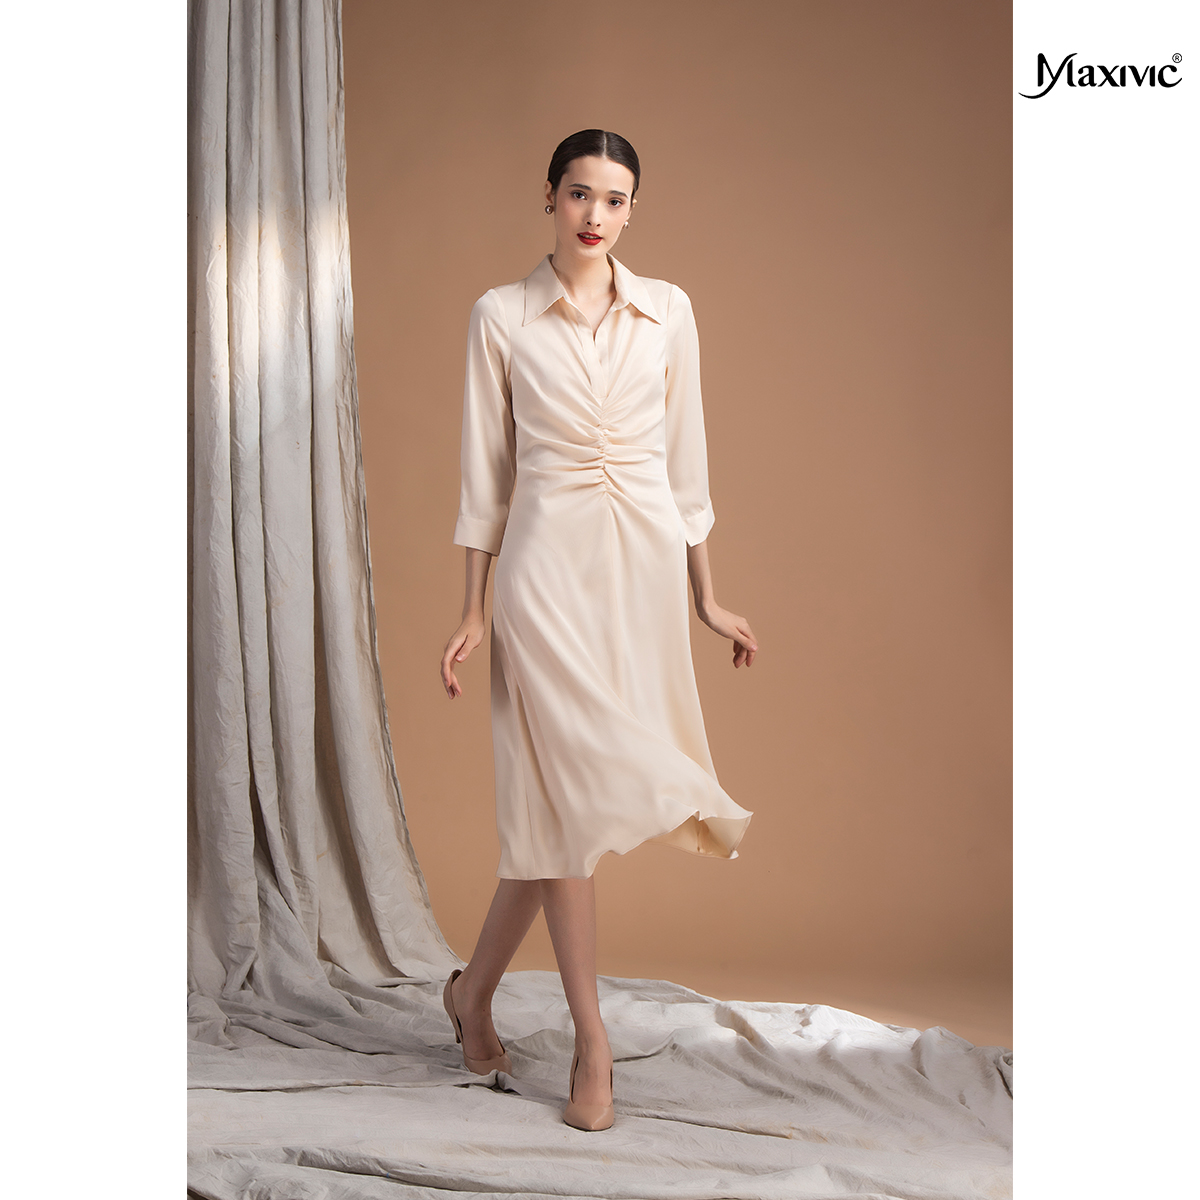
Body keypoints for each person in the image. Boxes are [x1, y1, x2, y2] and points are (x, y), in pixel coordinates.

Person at [438, 129, 757, 1132]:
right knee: (565, 814)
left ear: (630, 211)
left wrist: (708, 596)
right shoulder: (500, 315)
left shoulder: (669, 311)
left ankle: (471, 997)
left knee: (547, 815)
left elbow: (687, 468)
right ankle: (593, 1041)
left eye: (615, 200)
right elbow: (484, 480)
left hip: (641, 576)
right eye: (580, 194)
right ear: (550, 196)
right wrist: (473, 608)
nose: (595, 216)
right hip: (542, 578)